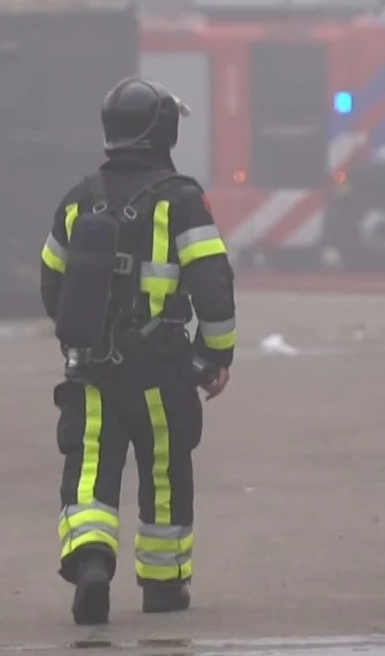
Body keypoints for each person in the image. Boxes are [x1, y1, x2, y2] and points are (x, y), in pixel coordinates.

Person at [40, 76, 237, 626]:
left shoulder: (79, 199)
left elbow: (52, 284)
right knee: (165, 471)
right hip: (160, 373)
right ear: (164, 131)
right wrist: (214, 355)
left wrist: (83, 335)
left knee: (89, 468)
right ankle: (163, 584)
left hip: (92, 372)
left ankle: (91, 564)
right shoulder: (182, 199)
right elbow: (214, 284)